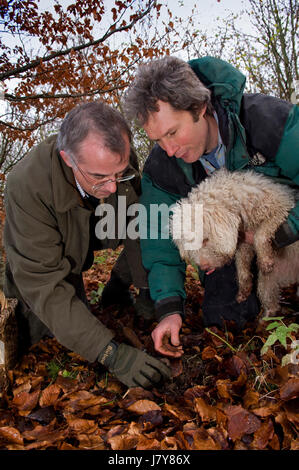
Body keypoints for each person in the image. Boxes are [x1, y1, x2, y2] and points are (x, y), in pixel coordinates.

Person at [123, 55, 299, 358]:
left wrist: (282, 232)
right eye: (157, 139)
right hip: (228, 252)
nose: (169, 150)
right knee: (224, 320)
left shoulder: (267, 120)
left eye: (172, 132)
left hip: (289, 230)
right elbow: (158, 241)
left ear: (199, 107)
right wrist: (169, 309)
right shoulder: (162, 167)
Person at [1, 101, 171, 389]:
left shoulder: (120, 162)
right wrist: (112, 355)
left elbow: (138, 226)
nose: (113, 187)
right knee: (44, 334)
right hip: (51, 263)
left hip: (96, 231)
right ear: (68, 159)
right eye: (99, 177)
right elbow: (44, 284)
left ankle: (117, 287)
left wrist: (146, 288)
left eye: (119, 174)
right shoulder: (27, 187)